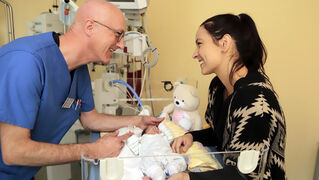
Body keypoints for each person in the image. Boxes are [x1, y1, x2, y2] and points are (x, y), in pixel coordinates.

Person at [0, 0, 163, 179]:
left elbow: (90, 119)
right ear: (90, 27)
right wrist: (94, 149)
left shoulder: (80, 70)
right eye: (118, 35)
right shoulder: (26, 62)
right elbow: (14, 151)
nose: (120, 44)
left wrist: (139, 121)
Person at [169, 13, 286, 180]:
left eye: (200, 44)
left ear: (224, 43)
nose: (195, 54)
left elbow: (246, 176)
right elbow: (221, 135)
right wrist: (191, 136)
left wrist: (188, 178)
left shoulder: (255, 100)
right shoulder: (218, 88)